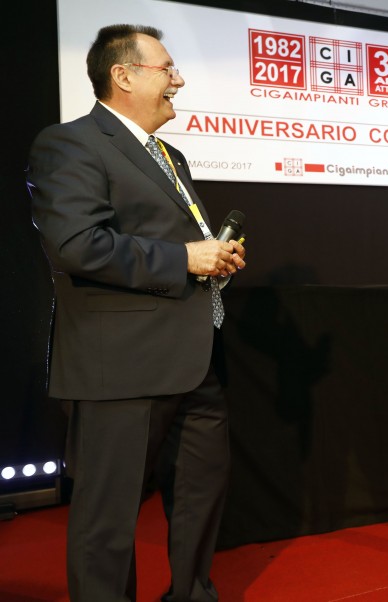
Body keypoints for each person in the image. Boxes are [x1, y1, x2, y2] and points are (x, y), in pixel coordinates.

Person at [27, 24, 246, 601]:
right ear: (122, 75)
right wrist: (185, 257)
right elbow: (77, 246)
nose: (179, 80)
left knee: (201, 499)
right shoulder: (69, 143)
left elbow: (177, 246)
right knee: (107, 520)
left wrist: (212, 259)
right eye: (166, 69)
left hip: (197, 360)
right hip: (120, 367)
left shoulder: (170, 155)